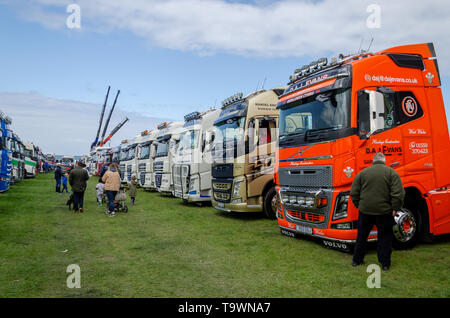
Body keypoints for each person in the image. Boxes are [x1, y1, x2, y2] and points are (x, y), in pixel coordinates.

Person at [350, 152, 405, 271]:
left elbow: (354, 192)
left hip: (365, 210)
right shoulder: (392, 173)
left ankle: (357, 260)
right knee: (385, 237)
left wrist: (358, 205)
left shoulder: (362, 173)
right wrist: (395, 208)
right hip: (384, 211)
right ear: (384, 161)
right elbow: (398, 194)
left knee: (362, 236)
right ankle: (385, 264)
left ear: (373, 161)